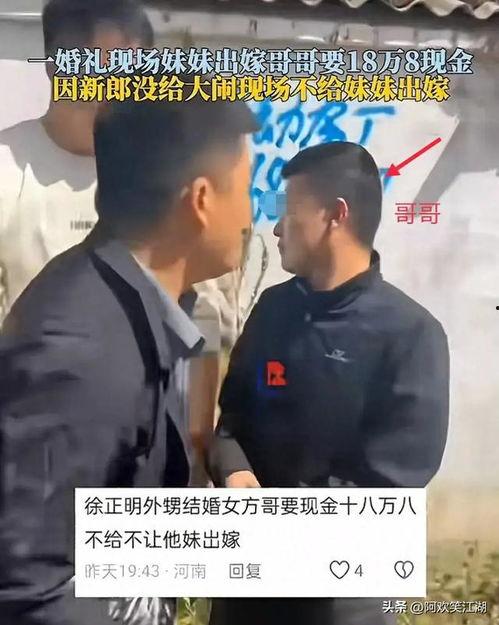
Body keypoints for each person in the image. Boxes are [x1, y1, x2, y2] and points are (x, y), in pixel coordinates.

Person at [0, 96, 258, 625]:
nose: (252, 217)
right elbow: (27, 586)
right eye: (246, 189)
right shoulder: (77, 349)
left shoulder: (145, 306)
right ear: (201, 200)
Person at [208, 141, 450, 625]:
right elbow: (231, 420)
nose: (277, 228)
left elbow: (388, 484)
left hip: (342, 599)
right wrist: (235, 474)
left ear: (336, 215)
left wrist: (277, 520)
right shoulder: (273, 311)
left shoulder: (410, 334)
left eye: (290, 210)